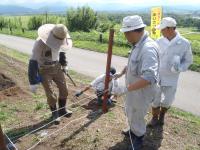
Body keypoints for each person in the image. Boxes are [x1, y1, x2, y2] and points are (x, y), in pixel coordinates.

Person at [113, 15, 160, 150]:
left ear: (135, 31)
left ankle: (138, 137)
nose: (125, 36)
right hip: (133, 89)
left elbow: (149, 77)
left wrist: (126, 89)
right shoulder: (137, 44)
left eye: (127, 33)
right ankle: (132, 130)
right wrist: (121, 73)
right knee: (130, 111)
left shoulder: (148, 49)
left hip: (142, 91)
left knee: (138, 114)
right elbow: (132, 64)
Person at [148, 17, 193, 127]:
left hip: (172, 77)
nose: (161, 31)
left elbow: (188, 60)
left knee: (168, 100)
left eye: (162, 29)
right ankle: (154, 117)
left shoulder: (184, 43)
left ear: (169, 29)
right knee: (155, 98)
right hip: (158, 75)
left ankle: (162, 115)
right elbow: (153, 56)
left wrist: (180, 68)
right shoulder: (159, 41)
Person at [28, 24, 73, 124]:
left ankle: (62, 110)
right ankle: (55, 114)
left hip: (56, 67)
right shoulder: (39, 43)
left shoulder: (61, 39)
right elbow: (33, 61)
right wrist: (33, 82)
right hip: (44, 70)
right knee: (51, 94)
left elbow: (62, 52)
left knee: (64, 89)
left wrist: (64, 65)